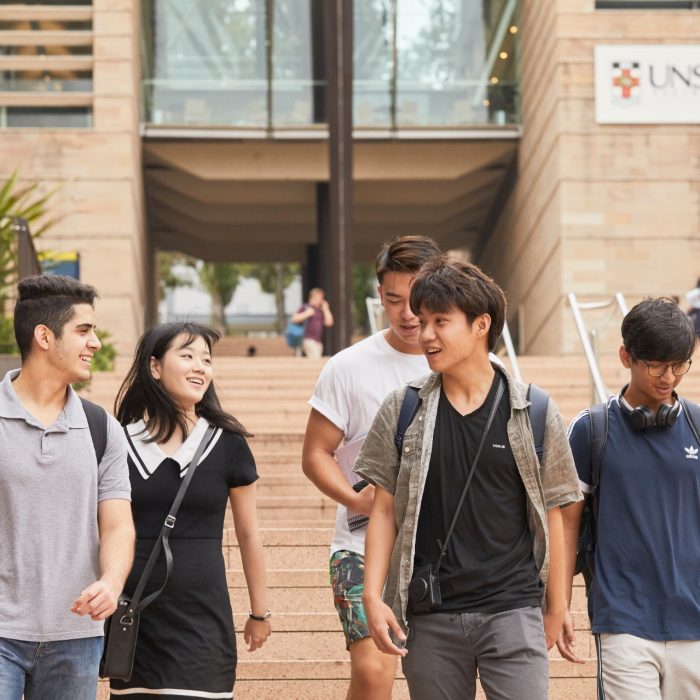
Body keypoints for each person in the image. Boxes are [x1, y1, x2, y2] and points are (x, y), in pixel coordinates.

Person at [354, 257, 582, 700]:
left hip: (513, 612)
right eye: (422, 322)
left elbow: (556, 510)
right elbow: (383, 509)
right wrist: (372, 596)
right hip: (432, 616)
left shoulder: (533, 410)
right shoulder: (404, 409)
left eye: (441, 321)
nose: (425, 335)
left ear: (481, 325)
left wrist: (557, 606)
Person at [302, 236, 441, 699]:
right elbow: (316, 454)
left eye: (417, 299)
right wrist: (353, 497)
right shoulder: (347, 367)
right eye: (393, 300)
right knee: (373, 672)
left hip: (442, 548)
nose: (406, 314)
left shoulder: (473, 363)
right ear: (378, 295)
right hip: (360, 546)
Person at [110, 322, 271, 700]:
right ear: (154, 367)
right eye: (187, 356)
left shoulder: (227, 442)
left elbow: (249, 535)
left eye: (206, 359)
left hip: (203, 625)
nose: (200, 367)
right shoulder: (118, 442)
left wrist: (260, 612)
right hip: (137, 625)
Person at [0, 275, 134, 700]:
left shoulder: (101, 427)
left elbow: (117, 526)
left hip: (78, 636)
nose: (95, 342)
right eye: (83, 330)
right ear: (43, 335)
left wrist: (112, 582)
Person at [558, 298, 700, 700]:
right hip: (623, 619)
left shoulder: (698, 426)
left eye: (679, 365)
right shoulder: (591, 430)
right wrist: (560, 603)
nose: (668, 377)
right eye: (656, 364)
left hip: (695, 622)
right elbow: (567, 523)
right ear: (626, 356)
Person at [291, 287, 334, 357]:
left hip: (318, 341)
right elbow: (293, 319)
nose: (319, 300)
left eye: (321, 298)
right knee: (315, 358)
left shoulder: (321, 310)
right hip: (308, 339)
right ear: (312, 298)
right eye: (317, 298)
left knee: (316, 358)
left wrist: (326, 309)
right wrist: (306, 314)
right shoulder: (305, 307)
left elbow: (329, 323)